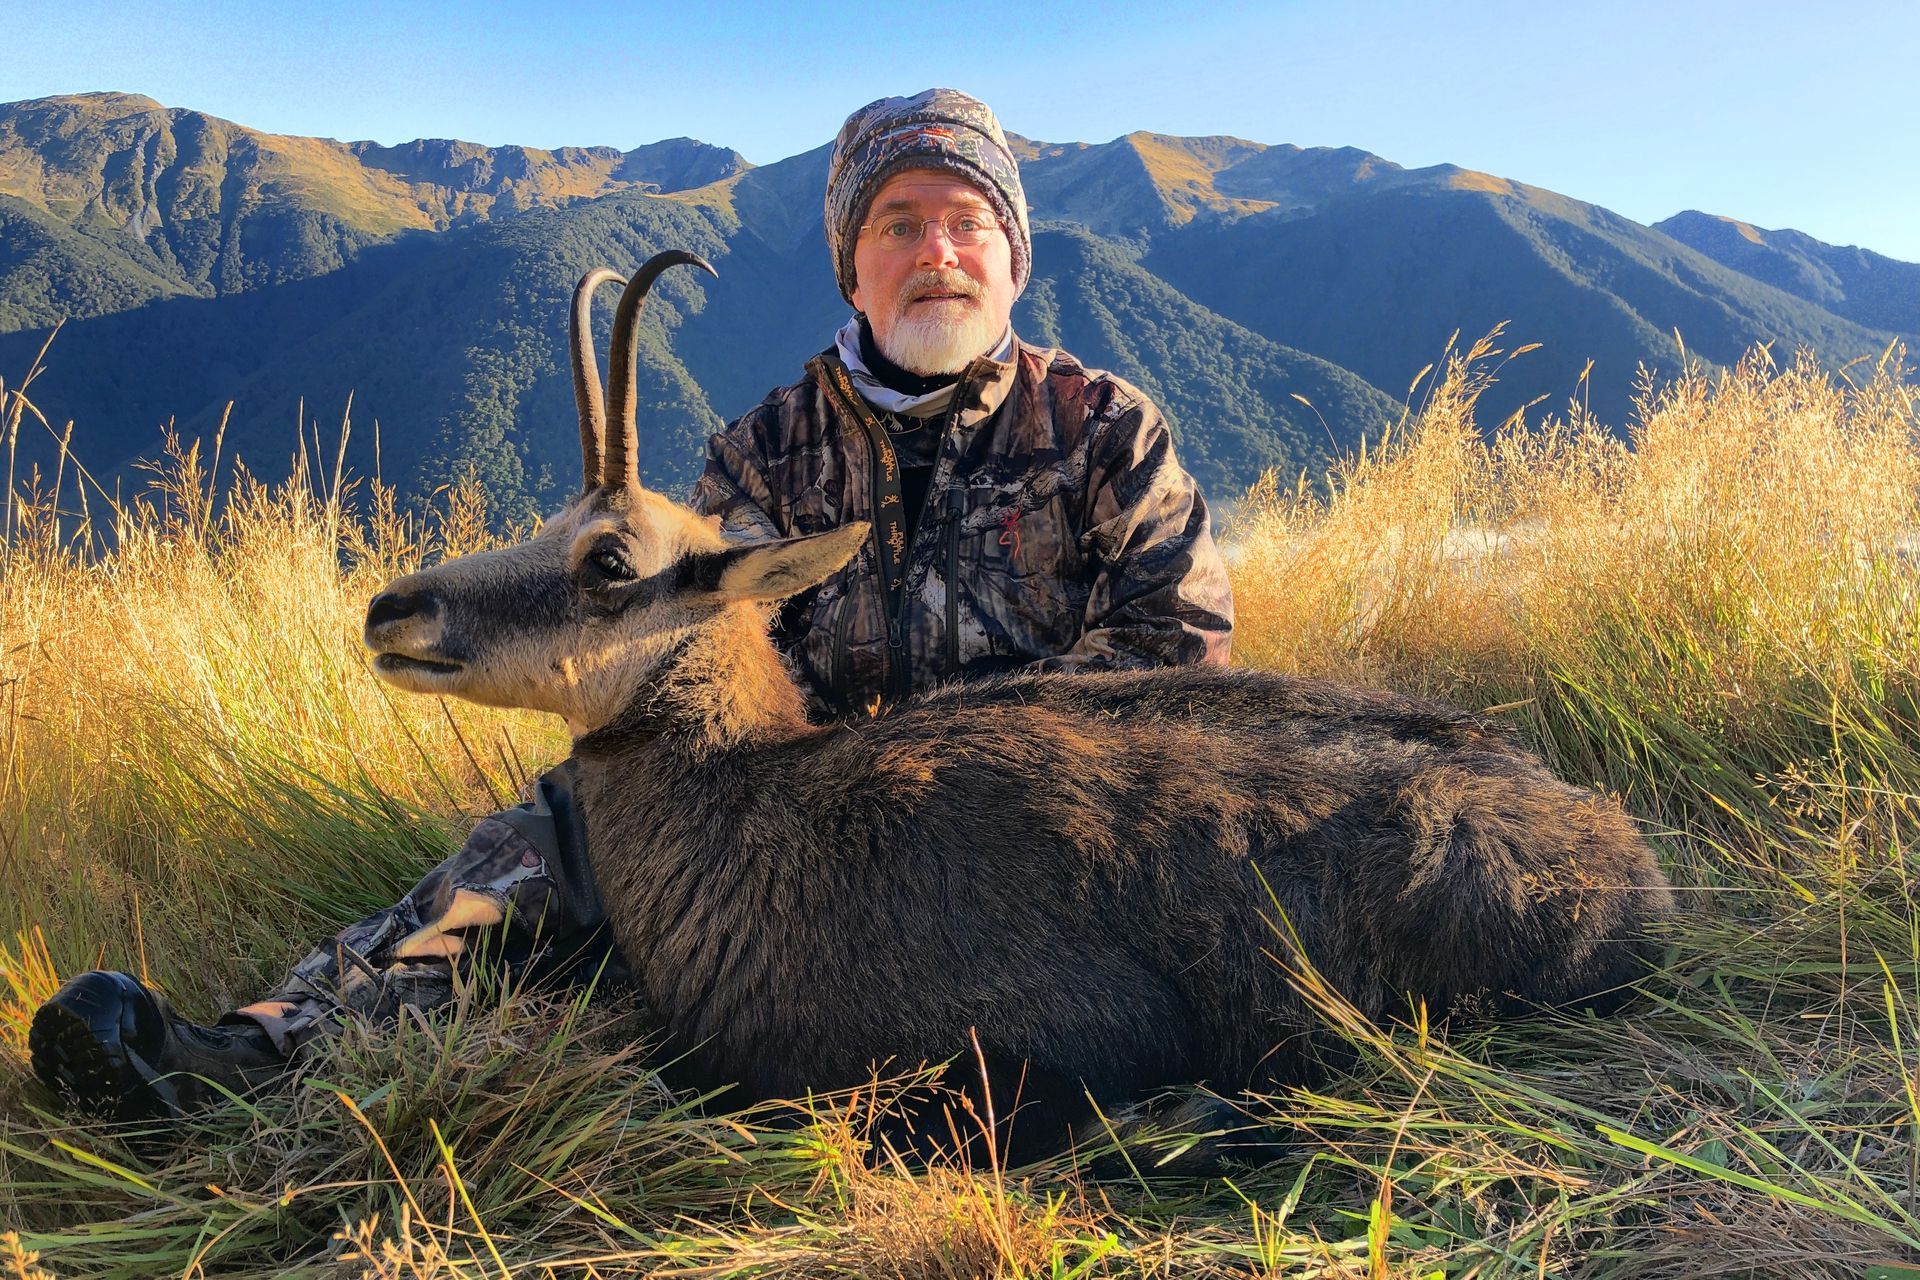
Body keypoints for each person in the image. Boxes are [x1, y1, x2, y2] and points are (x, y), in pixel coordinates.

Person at [30, 88, 1235, 1120]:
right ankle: (250, 1051)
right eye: (899, 224)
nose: (939, 251)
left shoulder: (1103, 430)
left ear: (1015, 258)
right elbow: (668, 665)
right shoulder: (762, 452)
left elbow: (1176, 673)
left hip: (1015, 825)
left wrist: (949, 769)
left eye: (969, 224)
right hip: (793, 822)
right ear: (851, 263)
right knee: (566, 820)